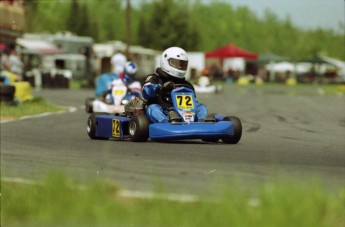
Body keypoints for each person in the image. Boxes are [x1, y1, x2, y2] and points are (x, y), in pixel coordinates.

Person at [142, 47, 208, 123]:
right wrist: (159, 88)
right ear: (165, 61)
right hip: (164, 110)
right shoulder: (155, 79)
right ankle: (165, 124)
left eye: (182, 64)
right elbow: (146, 92)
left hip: (184, 112)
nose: (179, 67)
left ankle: (201, 123)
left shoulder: (187, 84)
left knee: (202, 107)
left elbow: (194, 102)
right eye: (176, 63)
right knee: (153, 108)